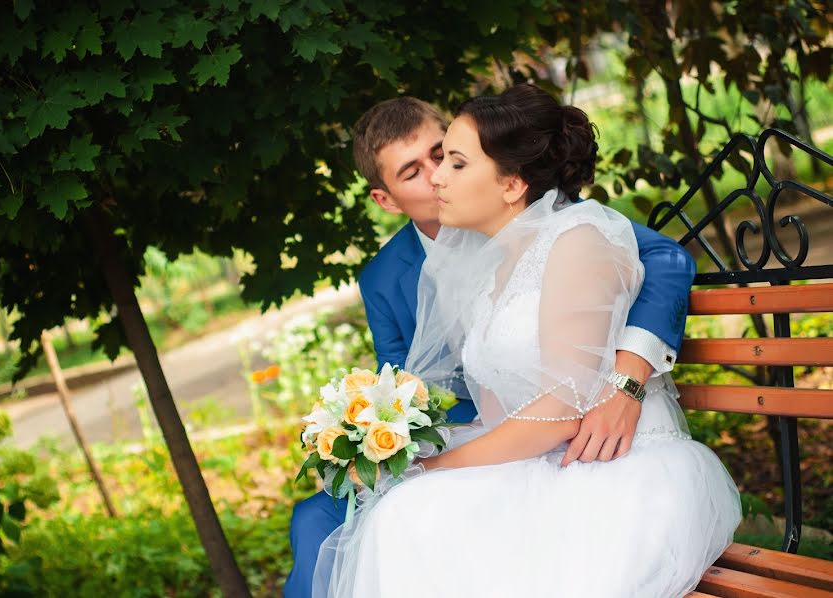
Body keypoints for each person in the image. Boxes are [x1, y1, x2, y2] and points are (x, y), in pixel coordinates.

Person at [312, 83, 741, 598]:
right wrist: (387, 448)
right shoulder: (463, 263)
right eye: (418, 169)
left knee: (412, 520)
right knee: (395, 521)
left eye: (448, 159)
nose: (435, 178)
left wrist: (627, 380)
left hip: (609, 461)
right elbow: (432, 390)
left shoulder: (571, 230)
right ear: (385, 197)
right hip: (533, 453)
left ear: (512, 182)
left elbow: (666, 262)